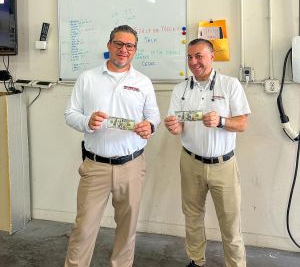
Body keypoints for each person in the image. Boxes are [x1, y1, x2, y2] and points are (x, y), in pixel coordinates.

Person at [64, 25, 161, 267]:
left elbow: (154, 116)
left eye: (129, 46)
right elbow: (70, 114)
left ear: (135, 50)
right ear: (109, 46)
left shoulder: (143, 82)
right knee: (83, 229)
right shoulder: (88, 78)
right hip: (95, 166)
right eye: (118, 44)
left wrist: (149, 125)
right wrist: (87, 121)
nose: (123, 50)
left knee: (127, 231)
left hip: (131, 166)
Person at [164, 38, 250, 267]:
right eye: (190, 57)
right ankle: (196, 260)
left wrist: (221, 120)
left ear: (212, 56)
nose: (194, 62)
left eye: (199, 56)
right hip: (190, 162)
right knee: (192, 217)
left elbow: (242, 123)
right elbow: (179, 125)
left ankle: (236, 264)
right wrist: (174, 127)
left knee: (230, 223)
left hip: (224, 165)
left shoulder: (230, 85)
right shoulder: (180, 89)